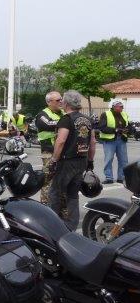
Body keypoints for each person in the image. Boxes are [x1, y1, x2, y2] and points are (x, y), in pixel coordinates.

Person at [48, 90, 96, 231]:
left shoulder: (66, 119)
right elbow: (92, 142)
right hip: (82, 161)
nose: (61, 102)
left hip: (67, 162)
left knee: (55, 193)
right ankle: (72, 226)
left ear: (67, 103)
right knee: (73, 194)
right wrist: (90, 161)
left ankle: (52, 226)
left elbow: (61, 141)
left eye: (62, 100)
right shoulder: (88, 120)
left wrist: (54, 160)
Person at [35, 91, 64, 205]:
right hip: (49, 152)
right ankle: (45, 206)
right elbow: (48, 124)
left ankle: (60, 207)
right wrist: (65, 122)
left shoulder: (63, 113)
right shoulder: (42, 114)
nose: (61, 102)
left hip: (63, 152)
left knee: (61, 180)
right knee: (48, 180)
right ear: (49, 102)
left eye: (61, 99)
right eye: (57, 100)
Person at [99, 99, 129, 184]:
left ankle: (121, 177)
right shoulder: (105, 114)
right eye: (119, 106)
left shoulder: (124, 114)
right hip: (110, 140)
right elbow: (102, 127)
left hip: (121, 139)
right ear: (113, 107)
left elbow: (128, 125)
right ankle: (109, 178)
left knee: (123, 160)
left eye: (122, 106)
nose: (121, 108)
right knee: (108, 159)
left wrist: (128, 130)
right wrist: (116, 130)